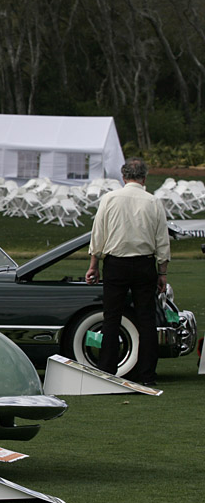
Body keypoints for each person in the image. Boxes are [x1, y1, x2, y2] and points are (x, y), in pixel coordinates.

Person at [85, 157, 170, 386]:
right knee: (146, 321)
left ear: (123, 177)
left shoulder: (110, 198)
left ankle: (107, 372)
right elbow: (162, 240)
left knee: (111, 319)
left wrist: (94, 264)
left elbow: (98, 234)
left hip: (116, 264)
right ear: (144, 178)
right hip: (144, 264)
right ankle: (147, 376)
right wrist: (162, 272)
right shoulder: (153, 201)